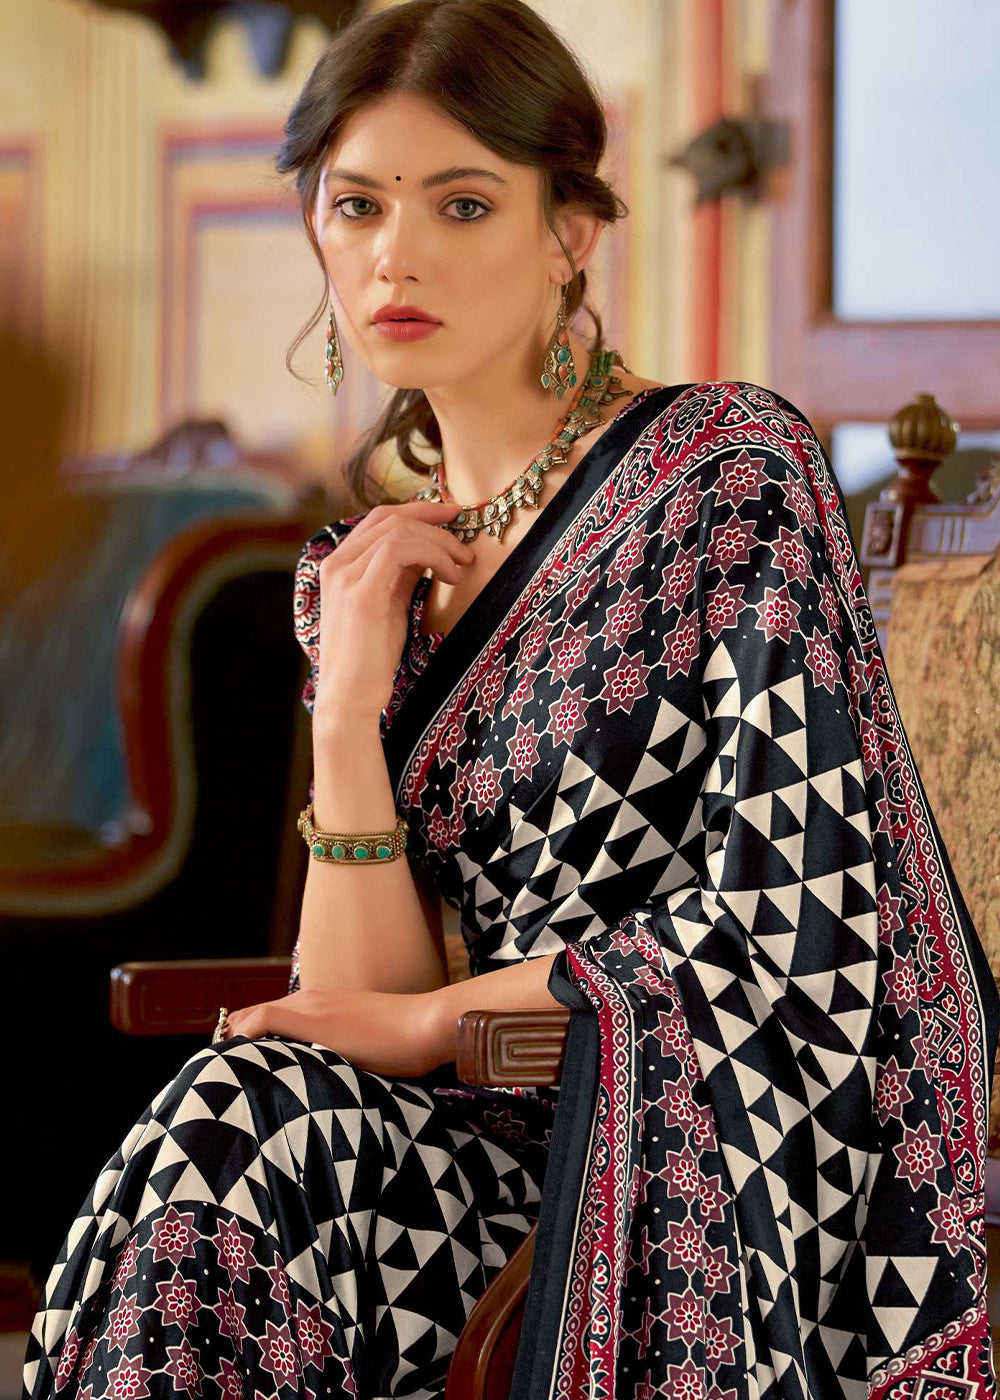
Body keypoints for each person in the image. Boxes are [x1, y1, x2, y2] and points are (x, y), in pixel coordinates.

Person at [23, 2, 1000, 1397]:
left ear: (570, 233)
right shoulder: (361, 576)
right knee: (239, 1137)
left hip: (679, 1170)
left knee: (238, 1141)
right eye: (356, 206)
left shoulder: (725, 474)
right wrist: (347, 710)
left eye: (463, 204)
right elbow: (354, 1006)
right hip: (446, 1170)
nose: (395, 255)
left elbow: (799, 926)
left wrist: (441, 1023)